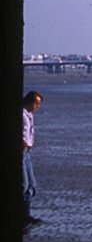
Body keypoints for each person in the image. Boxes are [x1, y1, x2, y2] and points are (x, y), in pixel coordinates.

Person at [22, 91, 43, 230]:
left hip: (27, 153)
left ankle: (26, 215)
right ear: (30, 102)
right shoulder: (21, 114)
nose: (37, 107)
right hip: (21, 152)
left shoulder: (30, 115)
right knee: (23, 185)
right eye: (36, 104)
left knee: (31, 185)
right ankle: (21, 216)